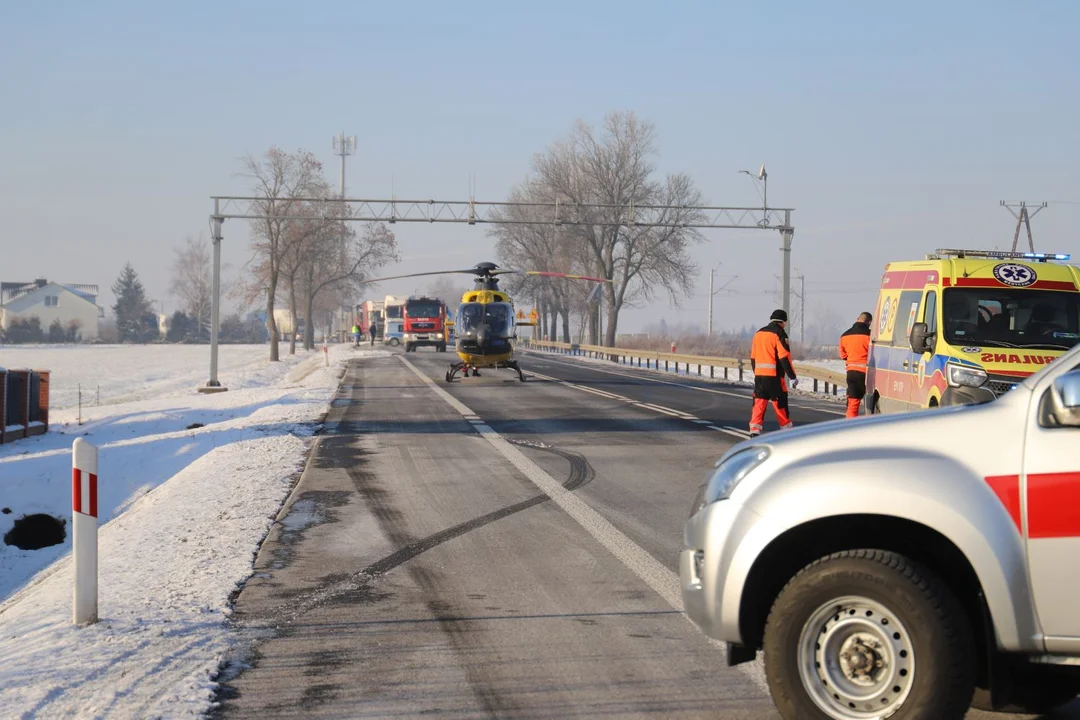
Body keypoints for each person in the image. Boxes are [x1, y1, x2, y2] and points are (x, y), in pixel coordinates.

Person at [749, 309, 798, 437]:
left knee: (759, 402)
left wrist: (757, 372)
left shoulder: (758, 333)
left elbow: (753, 357)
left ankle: (754, 430)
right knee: (780, 402)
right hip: (774, 376)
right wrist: (792, 376)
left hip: (759, 376)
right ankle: (786, 430)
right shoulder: (780, 333)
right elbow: (784, 357)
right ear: (783, 322)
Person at [839, 311, 873, 418]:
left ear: (857, 319)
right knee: (871, 404)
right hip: (868, 374)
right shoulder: (871, 336)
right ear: (869, 322)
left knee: (853, 404)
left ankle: (850, 427)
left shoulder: (844, 335)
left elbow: (843, 355)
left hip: (852, 373)